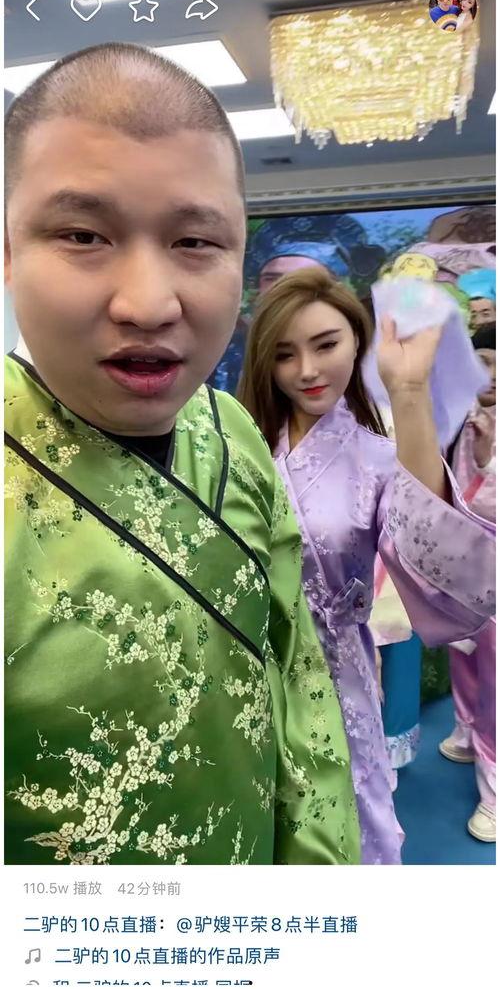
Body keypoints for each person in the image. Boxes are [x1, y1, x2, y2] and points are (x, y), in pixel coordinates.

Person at [4, 42, 362, 866]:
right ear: (10, 252)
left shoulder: (230, 430)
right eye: (83, 234)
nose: (148, 304)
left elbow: (297, 680)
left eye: (196, 242)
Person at [238, 268, 495, 864]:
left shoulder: (376, 457)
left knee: (346, 828)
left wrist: (409, 392)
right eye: (285, 354)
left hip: (334, 670)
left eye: (326, 344)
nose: (307, 370)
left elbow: (437, 560)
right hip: (245, 667)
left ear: (358, 340)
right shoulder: (237, 443)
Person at [440, 324, 496, 842]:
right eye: (483, 361)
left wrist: (485, 458)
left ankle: (495, 789)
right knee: (463, 654)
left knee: (495, 677)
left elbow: (487, 504)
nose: (491, 374)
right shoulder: (462, 415)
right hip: (464, 566)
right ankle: (464, 728)